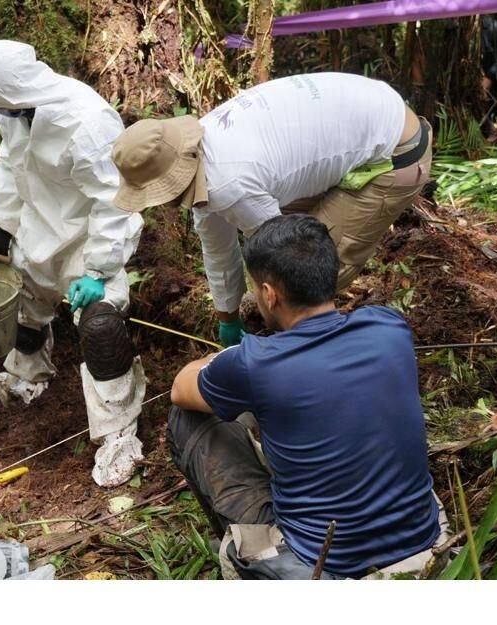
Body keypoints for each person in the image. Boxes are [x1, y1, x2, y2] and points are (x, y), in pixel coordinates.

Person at [168, 214, 447, 579]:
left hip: (326, 561)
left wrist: (221, 358)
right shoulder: (389, 326)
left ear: (269, 294)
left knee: (187, 416)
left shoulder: (253, 363)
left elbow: (180, 389)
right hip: (421, 537)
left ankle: (241, 541)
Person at [111, 72, 432, 347]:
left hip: (396, 151)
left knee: (311, 272)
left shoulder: (230, 183)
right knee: (280, 276)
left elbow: (288, 257)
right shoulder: (200, 151)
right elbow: (217, 246)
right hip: (372, 112)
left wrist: (277, 320)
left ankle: (308, 351)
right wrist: (228, 319)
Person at [0, 41, 146, 488]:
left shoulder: (87, 119)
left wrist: (98, 270)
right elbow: (10, 168)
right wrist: (1, 226)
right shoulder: (16, 113)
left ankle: (118, 430)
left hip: (87, 242)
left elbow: (114, 199)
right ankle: (30, 375)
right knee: (21, 307)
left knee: (100, 327)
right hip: (37, 234)